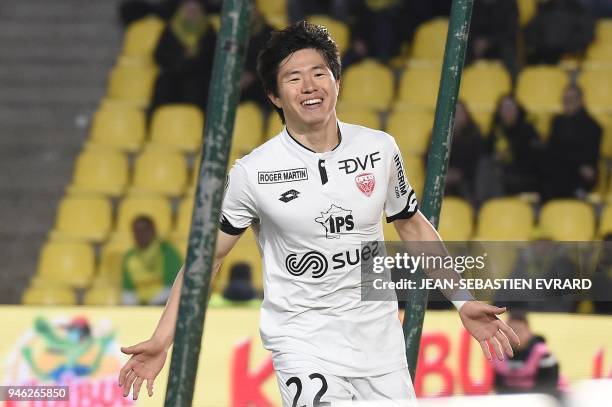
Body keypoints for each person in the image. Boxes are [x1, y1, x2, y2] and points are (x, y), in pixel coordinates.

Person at [118, 22, 519, 405]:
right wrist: (162, 338)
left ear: (337, 82)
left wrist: (462, 300)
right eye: (293, 78)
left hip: (379, 343)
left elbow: (411, 225)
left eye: (319, 73)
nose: (309, 86)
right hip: (303, 340)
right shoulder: (253, 173)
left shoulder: (378, 149)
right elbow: (208, 260)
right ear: (275, 96)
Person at [150, 0, 217, 112]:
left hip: (198, 77)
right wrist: (182, 56)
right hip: (174, 74)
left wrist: (195, 57)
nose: (191, 13)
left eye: (195, 10)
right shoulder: (171, 29)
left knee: (197, 87)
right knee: (163, 84)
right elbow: (159, 56)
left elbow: (212, 58)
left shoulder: (209, 31)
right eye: (188, 10)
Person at [540, 84, 602, 201]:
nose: (567, 103)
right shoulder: (557, 122)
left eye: (571, 99)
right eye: (565, 100)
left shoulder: (593, 126)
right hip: (563, 170)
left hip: (579, 175)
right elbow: (551, 149)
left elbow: (589, 156)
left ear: (581, 101)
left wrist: (568, 154)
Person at [477, 95, 542, 201]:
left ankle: (489, 205)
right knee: (485, 165)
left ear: (518, 109)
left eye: (511, 108)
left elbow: (534, 158)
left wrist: (511, 153)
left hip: (522, 174)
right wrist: (496, 157)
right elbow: (484, 153)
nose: (508, 111)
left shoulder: (528, 130)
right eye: (504, 108)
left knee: (496, 175)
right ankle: (484, 204)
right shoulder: (495, 130)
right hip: (498, 172)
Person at [493, 311, 560, 398]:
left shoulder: (543, 354)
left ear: (529, 332)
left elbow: (548, 387)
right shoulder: (498, 354)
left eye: (518, 330)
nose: (514, 335)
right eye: (509, 331)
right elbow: (498, 387)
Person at [121, 216, 183, 305]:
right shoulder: (129, 257)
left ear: (153, 231)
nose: (140, 235)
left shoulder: (168, 252)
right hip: (140, 309)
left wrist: (149, 305)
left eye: (144, 230)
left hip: (165, 305)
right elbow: (128, 292)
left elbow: (172, 287)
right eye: (136, 232)